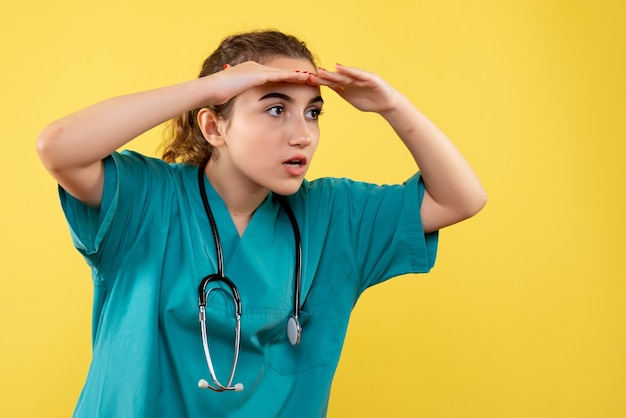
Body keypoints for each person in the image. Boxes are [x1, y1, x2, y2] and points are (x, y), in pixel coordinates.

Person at [37, 30, 486, 417]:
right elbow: (58, 147)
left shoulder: (333, 216)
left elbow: (462, 198)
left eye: (313, 111)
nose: (302, 134)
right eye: (276, 109)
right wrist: (210, 87)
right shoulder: (147, 198)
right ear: (214, 127)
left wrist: (393, 105)